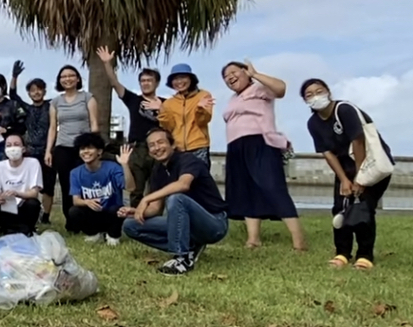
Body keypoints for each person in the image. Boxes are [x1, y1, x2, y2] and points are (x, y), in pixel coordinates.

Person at [301, 78, 394, 270]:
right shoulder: (313, 123)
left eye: (319, 91)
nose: (315, 97)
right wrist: (344, 179)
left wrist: (361, 178)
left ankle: (365, 255)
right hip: (345, 168)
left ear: (328, 92)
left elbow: (358, 142)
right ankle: (342, 253)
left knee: (363, 208)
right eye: (309, 95)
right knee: (340, 208)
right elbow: (327, 153)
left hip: (369, 165)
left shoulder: (344, 110)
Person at [119, 128, 228, 276]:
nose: (157, 148)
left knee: (177, 198)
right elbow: (156, 208)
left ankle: (182, 258)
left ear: (173, 145)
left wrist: (146, 198)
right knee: (130, 225)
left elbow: (183, 185)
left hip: (214, 222)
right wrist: (136, 211)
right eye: (152, 145)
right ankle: (190, 247)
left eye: (160, 142)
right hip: (186, 225)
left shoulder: (188, 160)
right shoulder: (158, 170)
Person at [221, 61, 304, 250]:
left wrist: (256, 74)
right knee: (246, 191)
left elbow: (281, 88)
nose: (229, 78)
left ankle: (299, 241)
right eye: (226, 77)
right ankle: (253, 239)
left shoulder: (259, 89)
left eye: (234, 72)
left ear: (245, 72)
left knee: (272, 187)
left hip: (259, 142)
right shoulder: (233, 99)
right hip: (236, 146)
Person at [95, 46, 163, 207]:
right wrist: (107, 63)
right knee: (136, 189)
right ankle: (135, 220)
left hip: (157, 148)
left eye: (149, 80)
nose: (146, 84)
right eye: (143, 81)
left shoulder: (166, 103)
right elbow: (114, 83)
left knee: (156, 188)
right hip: (136, 149)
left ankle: (154, 219)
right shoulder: (134, 100)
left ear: (157, 83)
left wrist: (161, 108)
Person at [45, 64, 99, 228]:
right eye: (63, 77)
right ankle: (71, 220)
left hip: (83, 149)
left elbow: (94, 124)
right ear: (59, 81)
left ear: (77, 79)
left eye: (71, 76)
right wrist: (49, 150)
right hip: (63, 148)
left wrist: (93, 147)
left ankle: (89, 219)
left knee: (85, 183)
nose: (67, 79)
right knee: (67, 185)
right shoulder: (55, 102)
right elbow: (53, 127)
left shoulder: (87, 97)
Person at [9, 61, 55, 224]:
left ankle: (46, 216)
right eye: (32, 90)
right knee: (28, 184)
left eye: (39, 89)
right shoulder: (27, 108)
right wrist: (14, 76)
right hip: (29, 152)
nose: (36, 93)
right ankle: (26, 211)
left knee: (48, 186)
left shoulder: (51, 106)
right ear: (29, 93)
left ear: (44, 90)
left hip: (47, 151)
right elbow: (13, 95)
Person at [67, 133, 130, 246]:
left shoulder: (112, 167)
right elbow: (75, 200)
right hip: (93, 213)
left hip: (111, 212)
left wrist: (125, 165)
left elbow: (131, 187)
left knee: (117, 209)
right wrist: (86, 202)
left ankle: (113, 235)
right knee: (74, 211)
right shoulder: (75, 173)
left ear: (99, 152)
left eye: (90, 148)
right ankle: (93, 233)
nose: (85, 151)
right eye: (82, 148)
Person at [149, 63, 213, 166]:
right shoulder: (169, 103)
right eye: (175, 79)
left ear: (191, 79)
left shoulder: (203, 95)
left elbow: (203, 121)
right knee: (181, 179)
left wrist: (200, 109)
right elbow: (169, 127)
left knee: (200, 179)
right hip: (178, 149)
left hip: (199, 146)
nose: (179, 82)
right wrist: (161, 110)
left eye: (183, 77)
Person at [0, 134, 43, 236]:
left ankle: (10, 228)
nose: (12, 148)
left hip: (24, 206)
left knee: (33, 204)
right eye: (9, 145)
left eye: (16, 144)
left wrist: (17, 193)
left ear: (23, 149)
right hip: (6, 206)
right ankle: (22, 229)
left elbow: (34, 193)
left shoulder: (33, 163)